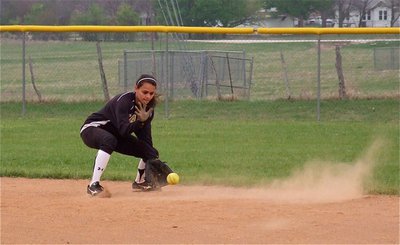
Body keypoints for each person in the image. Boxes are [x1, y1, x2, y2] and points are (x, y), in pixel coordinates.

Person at [80, 74, 172, 196]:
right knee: (109, 140)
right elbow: (124, 130)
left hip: (116, 135)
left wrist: (151, 156)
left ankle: (140, 182)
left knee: (150, 151)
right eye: (145, 92)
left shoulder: (148, 110)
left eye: (151, 93)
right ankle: (93, 185)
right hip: (92, 128)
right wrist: (140, 121)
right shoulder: (124, 101)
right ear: (136, 88)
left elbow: (145, 140)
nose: (148, 96)